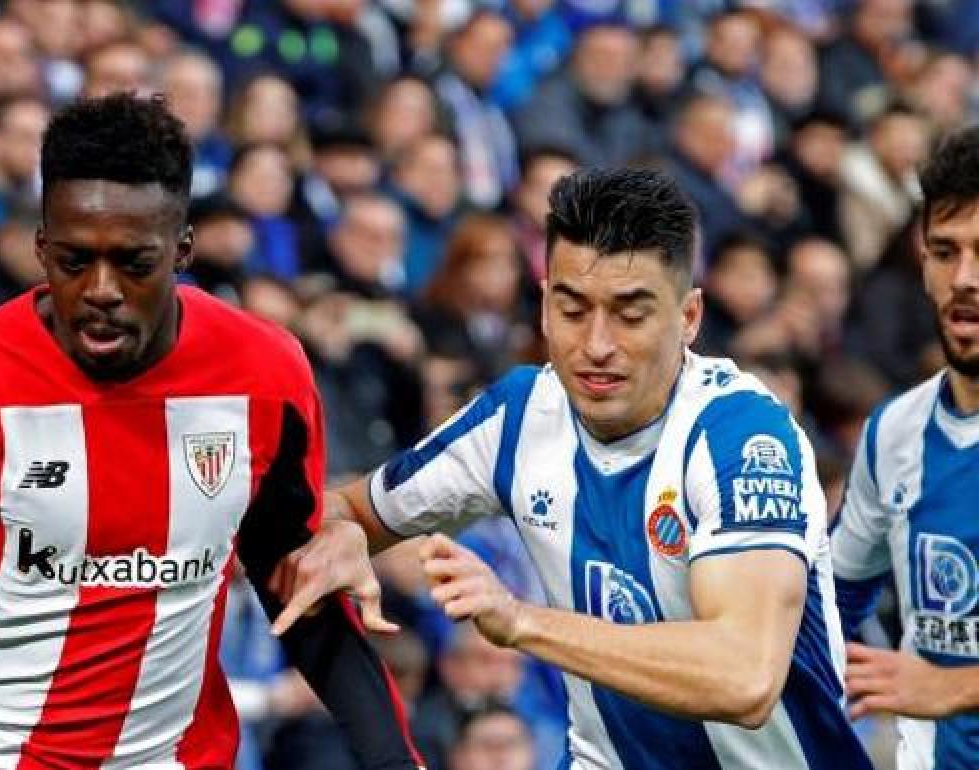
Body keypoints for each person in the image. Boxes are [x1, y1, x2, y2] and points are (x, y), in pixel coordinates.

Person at [0, 93, 421, 770]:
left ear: (182, 250)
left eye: (133, 263)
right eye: (73, 259)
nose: (100, 289)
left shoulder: (264, 374)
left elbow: (300, 589)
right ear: (40, 247)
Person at [272, 168, 873, 768]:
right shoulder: (518, 415)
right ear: (542, 306)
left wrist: (521, 621)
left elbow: (744, 678)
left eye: (630, 314)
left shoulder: (741, 436)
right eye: (573, 309)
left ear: (689, 318)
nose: (596, 344)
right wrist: (347, 532)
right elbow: (353, 508)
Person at [830, 126, 979, 768]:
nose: (964, 279)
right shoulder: (894, 430)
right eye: (944, 252)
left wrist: (956, 686)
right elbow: (833, 598)